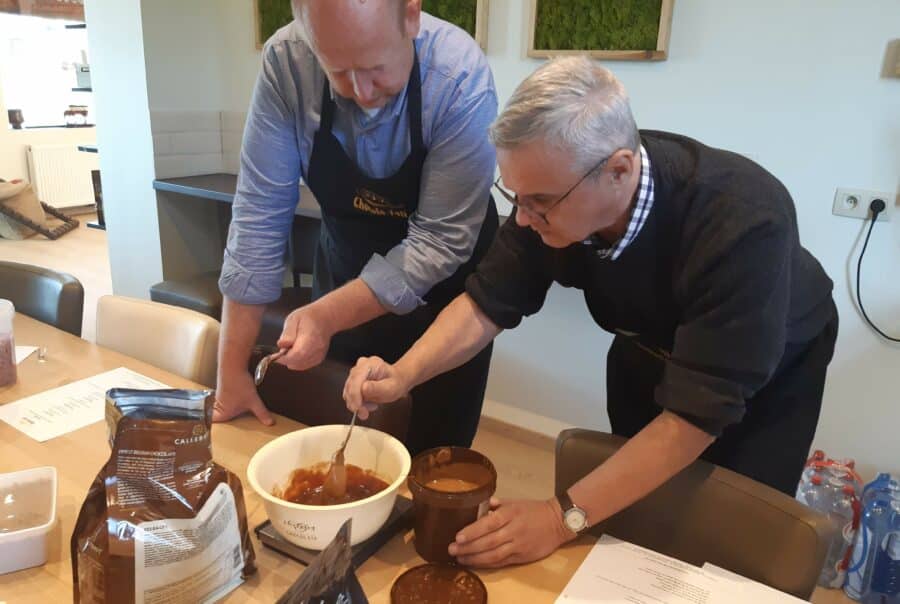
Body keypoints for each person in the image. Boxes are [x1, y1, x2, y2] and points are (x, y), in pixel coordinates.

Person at [343, 57, 838, 567]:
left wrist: (558, 518)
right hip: (645, 343)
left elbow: (695, 416)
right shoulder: (553, 190)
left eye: (539, 202)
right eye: (515, 197)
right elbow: (485, 303)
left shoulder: (743, 218)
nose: (523, 219)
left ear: (619, 171)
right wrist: (404, 374)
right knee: (636, 511)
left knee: (737, 532)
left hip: (768, 368)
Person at [213, 0, 499, 455]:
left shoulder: (458, 77)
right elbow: (257, 217)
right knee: (339, 441)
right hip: (346, 272)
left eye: (375, 68)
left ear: (411, 15)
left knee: (434, 457)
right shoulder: (287, 63)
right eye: (339, 73)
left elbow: (439, 240)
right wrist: (231, 372)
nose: (362, 93)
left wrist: (326, 316)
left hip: (443, 295)